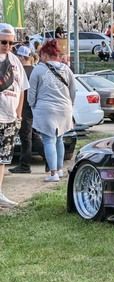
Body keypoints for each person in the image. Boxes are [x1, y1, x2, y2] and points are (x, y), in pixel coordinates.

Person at [28, 39, 75, 183]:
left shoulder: (38, 69)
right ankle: (59, 170)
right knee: (59, 138)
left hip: (45, 109)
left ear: (45, 55)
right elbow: (73, 90)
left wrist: (32, 106)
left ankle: (53, 172)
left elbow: (31, 93)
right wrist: (70, 104)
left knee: (49, 139)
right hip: (64, 108)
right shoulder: (66, 69)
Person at [0, 23, 30, 207]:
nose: (8, 46)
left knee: (2, 158)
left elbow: (22, 89)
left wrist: (18, 114)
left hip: (10, 118)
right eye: (4, 42)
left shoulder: (15, 61)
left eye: (11, 43)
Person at [8, 46, 35, 175]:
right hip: (31, 108)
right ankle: (50, 159)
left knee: (26, 138)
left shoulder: (19, 71)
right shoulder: (35, 71)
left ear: (22, 57)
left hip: (23, 108)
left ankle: (25, 165)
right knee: (32, 136)